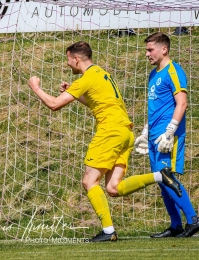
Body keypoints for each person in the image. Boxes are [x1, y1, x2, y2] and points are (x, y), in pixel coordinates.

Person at [28, 41, 182, 242]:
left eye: (68, 60)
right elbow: (99, 101)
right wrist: (75, 92)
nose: (67, 64)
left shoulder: (86, 78)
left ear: (76, 59)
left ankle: (108, 231)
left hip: (109, 132)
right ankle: (160, 176)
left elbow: (54, 104)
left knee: (89, 181)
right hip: (125, 132)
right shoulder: (101, 73)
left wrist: (36, 88)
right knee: (113, 188)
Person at [135, 32, 199, 238]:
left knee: (166, 176)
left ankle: (194, 220)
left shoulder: (174, 70)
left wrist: (170, 131)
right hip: (154, 135)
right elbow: (155, 107)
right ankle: (175, 225)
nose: (147, 54)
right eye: (146, 50)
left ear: (164, 49)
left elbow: (182, 103)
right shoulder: (153, 74)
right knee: (160, 180)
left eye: (150, 49)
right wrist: (146, 131)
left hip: (168, 135)